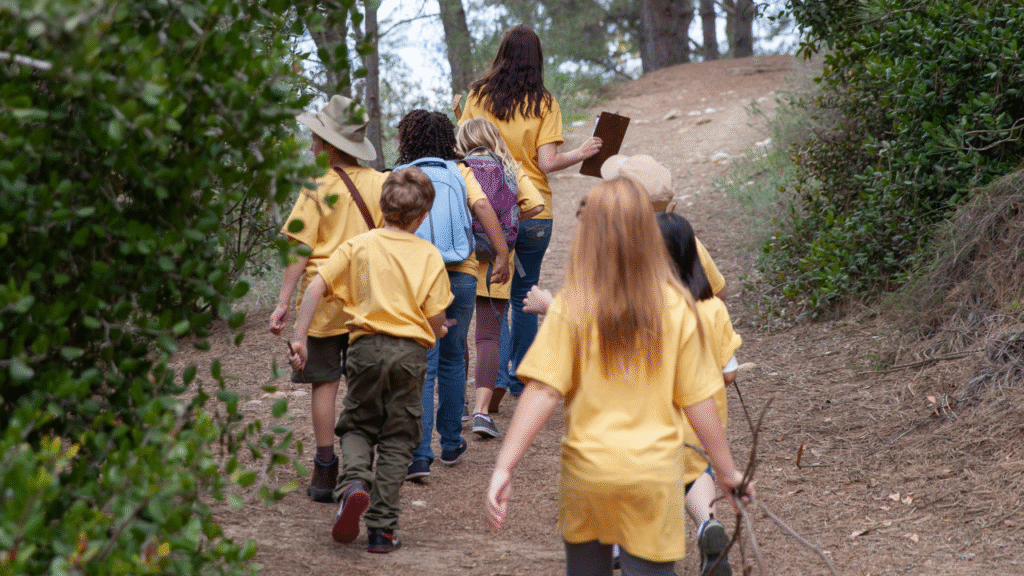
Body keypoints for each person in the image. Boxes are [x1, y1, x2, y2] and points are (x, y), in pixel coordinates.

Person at [485, 177, 753, 576]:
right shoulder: (677, 307)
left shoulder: (572, 304)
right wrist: (727, 473)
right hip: (653, 474)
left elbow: (542, 390)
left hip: (587, 473)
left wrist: (504, 466)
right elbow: (698, 399)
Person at [288, 167, 452, 553]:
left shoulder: (359, 245)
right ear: (422, 216)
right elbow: (435, 317)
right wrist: (437, 331)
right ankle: (382, 529)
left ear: (383, 206)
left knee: (358, 425)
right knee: (398, 436)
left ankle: (354, 484)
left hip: (363, 349)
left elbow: (316, 285)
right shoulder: (429, 256)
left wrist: (300, 338)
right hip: (409, 354)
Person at [459, 24, 603, 412]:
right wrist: (583, 152)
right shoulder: (544, 103)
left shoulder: (476, 95)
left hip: (489, 210)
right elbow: (547, 162)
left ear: (501, 53)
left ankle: (493, 384)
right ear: (537, 58)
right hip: (534, 211)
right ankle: (523, 380)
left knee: (495, 299)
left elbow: (464, 148)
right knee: (526, 295)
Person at [269, 95, 386, 502]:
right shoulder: (381, 183)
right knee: (362, 386)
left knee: (324, 383)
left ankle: (324, 470)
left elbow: (299, 250)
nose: (312, 145)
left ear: (332, 146)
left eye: (317, 139)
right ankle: (359, 468)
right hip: (368, 299)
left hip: (321, 301)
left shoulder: (315, 187)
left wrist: (283, 302)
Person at [395, 110, 511, 481]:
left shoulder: (400, 175)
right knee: (452, 357)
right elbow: (482, 207)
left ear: (407, 140)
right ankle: (449, 443)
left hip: (418, 277)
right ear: (448, 140)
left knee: (423, 364)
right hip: (460, 274)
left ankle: (418, 456)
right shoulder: (460, 171)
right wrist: (502, 253)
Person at [657, 211, 742, 576]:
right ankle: (707, 524)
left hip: (655, 420)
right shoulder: (714, 308)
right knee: (697, 473)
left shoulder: (645, 311)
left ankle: (624, 546)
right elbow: (730, 372)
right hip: (704, 421)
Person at [454, 117, 545, 438]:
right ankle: (482, 412)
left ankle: (459, 404)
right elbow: (537, 206)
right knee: (489, 337)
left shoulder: (458, 169)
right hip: (498, 260)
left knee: (457, 336)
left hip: (462, 260)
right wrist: (512, 217)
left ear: (463, 141)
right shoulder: (510, 168)